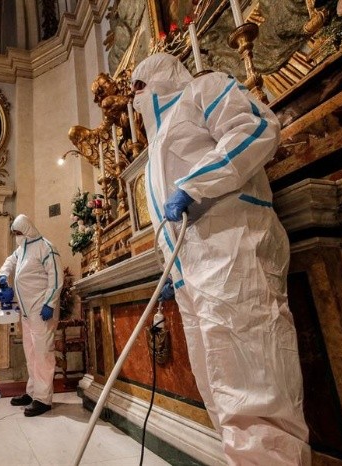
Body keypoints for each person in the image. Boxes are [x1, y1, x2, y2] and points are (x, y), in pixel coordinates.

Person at [130, 53, 310, 465]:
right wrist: (173, 273)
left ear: (159, 76)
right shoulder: (155, 144)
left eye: (139, 85)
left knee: (254, 377)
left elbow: (256, 128)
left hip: (232, 246)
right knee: (218, 382)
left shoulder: (203, 89)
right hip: (190, 269)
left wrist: (195, 185)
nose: (134, 97)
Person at [0, 214, 63, 417]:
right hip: (26, 312)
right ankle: (33, 392)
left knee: (43, 354)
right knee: (31, 354)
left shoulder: (46, 247)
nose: (16, 236)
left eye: (18, 232)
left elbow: (56, 277)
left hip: (42, 310)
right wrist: (3, 277)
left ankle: (43, 399)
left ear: (26, 230)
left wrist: (49, 303)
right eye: (14, 233)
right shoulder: (22, 249)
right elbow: (9, 262)